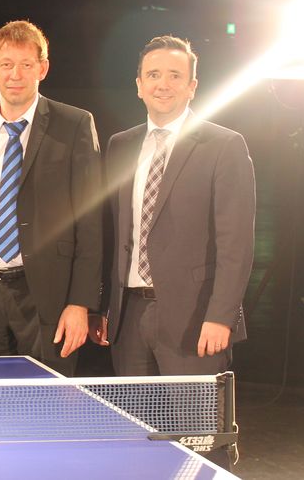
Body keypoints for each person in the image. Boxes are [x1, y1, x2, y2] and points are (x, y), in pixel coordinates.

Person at [91, 35, 255, 376]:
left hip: (196, 320)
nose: (163, 84)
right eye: (153, 75)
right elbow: (114, 234)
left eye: (175, 75)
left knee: (193, 428)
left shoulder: (224, 145)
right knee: (136, 427)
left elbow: (235, 245)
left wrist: (220, 316)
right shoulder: (120, 145)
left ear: (192, 86)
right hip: (128, 317)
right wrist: (105, 306)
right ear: (139, 85)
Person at [0, 20, 102, 376]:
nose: (15, 74)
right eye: (6, 64)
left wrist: (81, 303)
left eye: (26, 64)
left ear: (42, 68)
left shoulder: (74, 124)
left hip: (48, 292)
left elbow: (91, 222)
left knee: (48, 406)